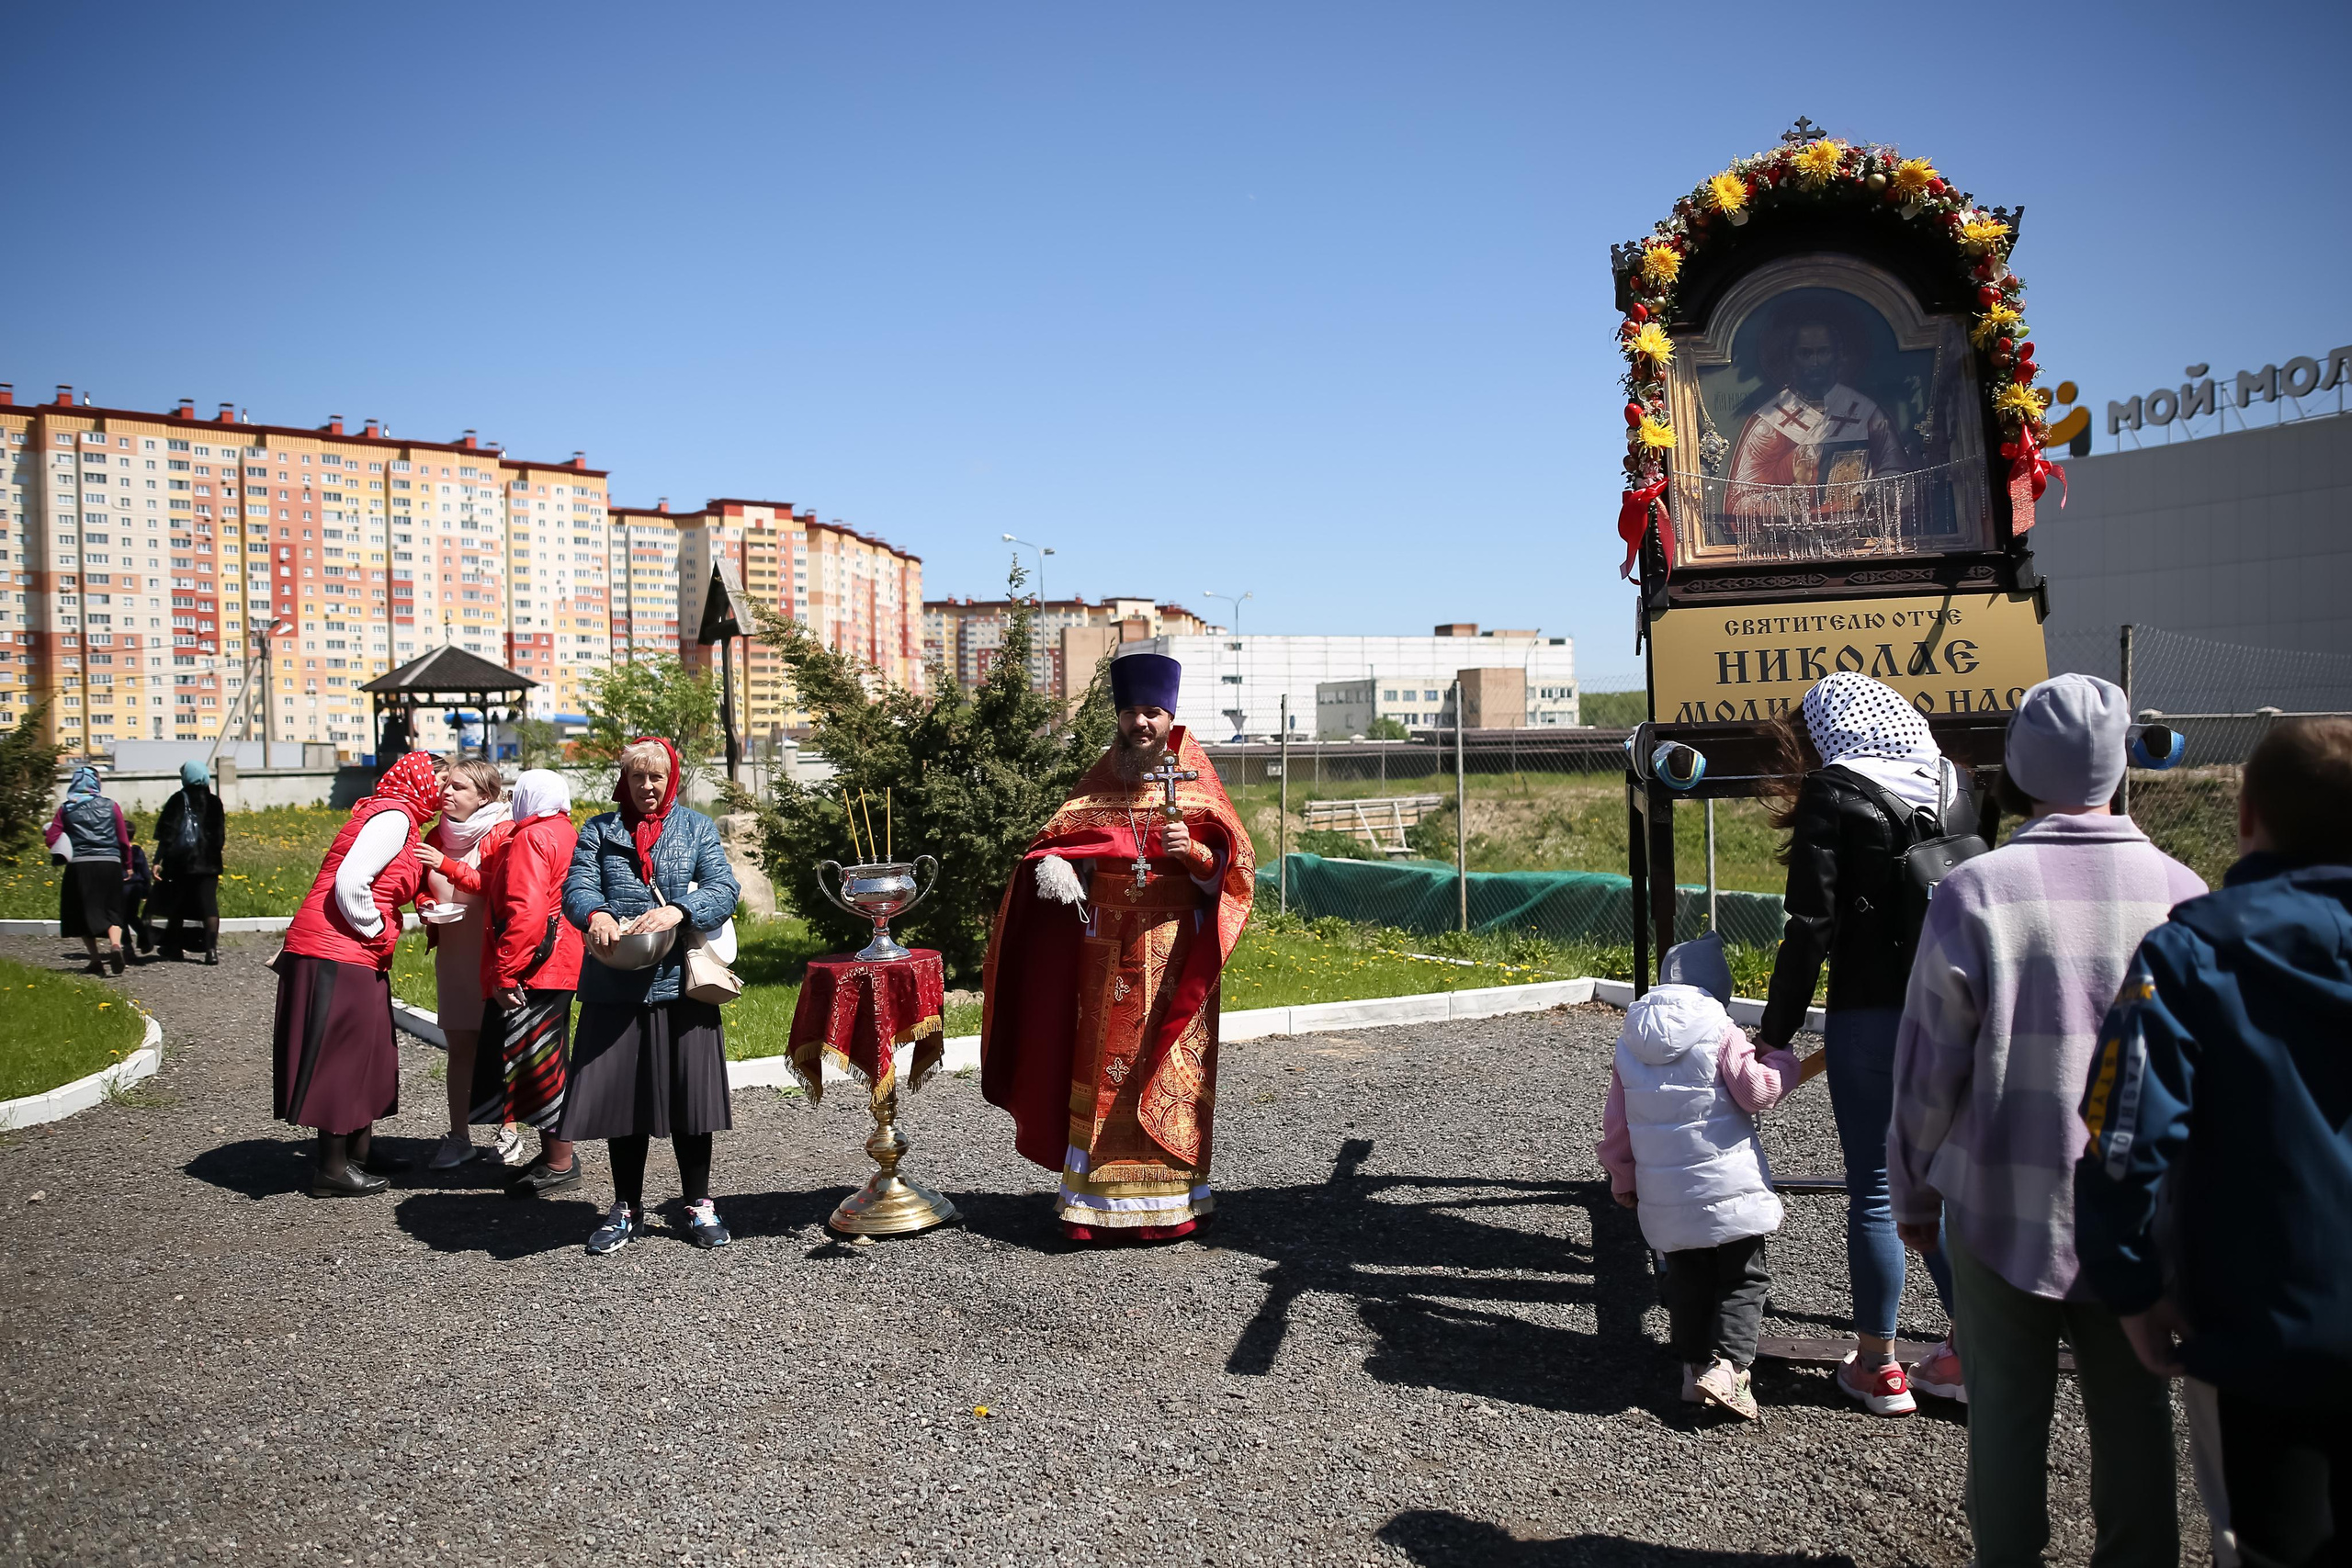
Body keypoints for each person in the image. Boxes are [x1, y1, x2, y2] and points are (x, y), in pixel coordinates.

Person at [1888, 675, 2202, 1568]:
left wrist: (1911, 1188)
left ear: (2019, 769)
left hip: (1996, 1209)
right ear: (2120, 762)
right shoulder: (2183, 892)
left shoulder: (1974, 892)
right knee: (2138, 1416)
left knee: (2004, 1418)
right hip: (2139, 1216)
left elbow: (1926, 1068)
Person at [2075, 716, 2352, 1567]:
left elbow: (2121, 1133)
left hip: (2257, 1329)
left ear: (2245, 814)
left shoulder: (2189, 953)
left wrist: (2131, 1286)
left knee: (2268, 1543)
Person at [980, 651, 1257, 1243]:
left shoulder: (1195, 780)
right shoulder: (1104, 778)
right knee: (1105, 1068)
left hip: (1175, 948)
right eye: (1131, 712)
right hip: (1105, 955)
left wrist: (1196, 856)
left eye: (1153, 712)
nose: (1141, 724)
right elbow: (1061, 840)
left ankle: (1171, 1202)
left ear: (1170, 715)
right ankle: (1096, 1205)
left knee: (1169, 1069)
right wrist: (1057, 867)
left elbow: (1234, 871)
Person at [1757, 671, 1971, 1415]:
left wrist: (1774, 1035)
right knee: (1945, 1183)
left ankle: (1878, 1363)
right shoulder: (1952, 782)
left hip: (1869, 1011)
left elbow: (1809, 928)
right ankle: (1973, 1345)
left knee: (1877, 1187)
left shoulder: (1835, 789)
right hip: (1955, 1011)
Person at [1596, 934, 1800, 1420]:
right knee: (1743, 1277)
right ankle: (1731, 1369)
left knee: (1686, 1278)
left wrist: (1623, 1179)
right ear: (1718, 988)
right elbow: (1755, 1091)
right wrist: (1782, 1061)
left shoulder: (1631, 1039)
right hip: (1727, 1186)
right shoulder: (1720, 1029)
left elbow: (1617, 1124)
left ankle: (1693, 1371)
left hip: (1665, 1194)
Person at [560, 737, 740, 1255]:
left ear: (671, 778)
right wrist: (593, 914)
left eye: (656, 777)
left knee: (692, 1100)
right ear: (625, 780)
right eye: (637, 777)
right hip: (616, 984)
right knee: (624, 1102)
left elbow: (723, 889)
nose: (647, 787)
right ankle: (625, 1208)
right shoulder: (598, 830)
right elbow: (577, 887)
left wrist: (679, 909)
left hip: (682, 986)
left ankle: (699, 1203)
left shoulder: (697, 828)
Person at [271, 750, 440, 1198]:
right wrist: (377, 927)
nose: (444, 790)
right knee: (341, 1054)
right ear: (421, 780)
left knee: (369, 1050)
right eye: (440, 779)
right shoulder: (394, 818)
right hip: (338, 951)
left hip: (348, 951)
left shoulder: (399, 817)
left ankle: (358, 1153)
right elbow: (350, 883)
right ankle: (331, 1168)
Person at [474, 769, 582, 1198]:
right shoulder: (564, 831)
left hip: (533, 970)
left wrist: (505, 972)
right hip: (561, 964)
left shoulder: (530, 838)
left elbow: (527, 911)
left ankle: (560, 1161)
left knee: (536, 1063)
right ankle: (553, 1155)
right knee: (546, 1058)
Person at [1725, 300, 1912, 528]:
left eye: (1823, 352)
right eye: (1805, 353)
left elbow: (1898, 473)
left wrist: (1876, 490)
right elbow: (1738, 503)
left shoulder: (1868, 414)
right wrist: (1789, 496)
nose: (1815, 362)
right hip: (1794, 542)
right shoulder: (1768, 424)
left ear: (1838, 355)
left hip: (1859, 537)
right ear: (1791, 358)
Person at [414, 757, 513, 1172]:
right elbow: (421, 886)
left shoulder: (503, 832)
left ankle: (508, 1128)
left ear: (484, 796)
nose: (446, 793)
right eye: (446, 785)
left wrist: (449, 868)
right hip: (453, 955)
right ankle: (459, 1136)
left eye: (458, 788)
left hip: (493, 956)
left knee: (502, 1046)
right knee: (459, 1048)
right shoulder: (435, 836)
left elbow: (506, 888)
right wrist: (425, 907)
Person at [45, 765, 130, 976]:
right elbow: (123, 840)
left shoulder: (66, 809)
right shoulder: (112, 806)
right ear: (96, 783)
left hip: (80, 866)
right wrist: (127, 865)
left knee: (83, 912)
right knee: (113, 909)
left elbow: (52, 838)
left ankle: (95, 960)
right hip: (110, 864)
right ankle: (116, 946)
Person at [153, 759, 227, 964]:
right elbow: (220, 836)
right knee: (209, 905)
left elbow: (167, 833)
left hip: (180, 863)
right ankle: (211, 951)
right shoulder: (215, 802)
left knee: (177, 905)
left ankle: (175, 948)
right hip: (209, 863)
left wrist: (157, 860)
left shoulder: (178, 799)